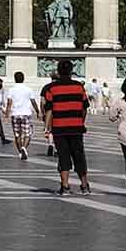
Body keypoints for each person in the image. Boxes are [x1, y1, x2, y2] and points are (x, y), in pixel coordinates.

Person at [41, 59, 90, 196]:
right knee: (79, 155)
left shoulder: (52, 88)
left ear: (58, 71)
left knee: (63, 156)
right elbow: (84, 107)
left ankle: (65, 186)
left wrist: (47, 128)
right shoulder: (79, 86)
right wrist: (81, 121)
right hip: (76, 127)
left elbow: (49, 110)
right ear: (71, 71)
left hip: (59, 127)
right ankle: (85, 185)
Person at [3, 71, 39, 161]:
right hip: (26, 113)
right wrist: (38, 111)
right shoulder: (28, 89)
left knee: (17, 134)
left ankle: (20, 151)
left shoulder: (11, 90)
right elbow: (33, 101)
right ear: (23, 78)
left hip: (15, 114)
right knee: (27, 134)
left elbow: (9, 103)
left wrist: (7, 114)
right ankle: (24, 148)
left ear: (15, 79)